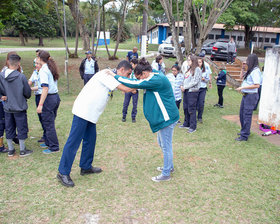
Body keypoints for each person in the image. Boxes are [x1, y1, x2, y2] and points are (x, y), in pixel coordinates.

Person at [57, 61, 135, 187]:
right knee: (73, 142)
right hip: (83, 111)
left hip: (91, 113)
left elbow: (123, 87)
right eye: (128, 73)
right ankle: (63, 172)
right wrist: (140, 85)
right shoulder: (106, 74)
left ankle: (86, 166)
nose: (128, 76)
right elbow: (124, 89)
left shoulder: (112, 76)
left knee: (90, 139)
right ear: (120, 69)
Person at [111, 58, 179, 182]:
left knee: (166, 146)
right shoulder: (153, 76)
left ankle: (166, 173)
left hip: (167, 118)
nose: (139, 80)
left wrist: (115, 76)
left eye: (139, 77)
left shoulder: (155, 79)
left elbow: (134, 84)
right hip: (164, 118)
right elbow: (134, 82)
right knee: (163, 144)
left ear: (144, 73)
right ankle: (169, 167)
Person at [0, 54, 32, 157]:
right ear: (18, 64)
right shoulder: (21, 76)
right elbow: (27, 92)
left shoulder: (1, 75)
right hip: (19, 107)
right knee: (21, 127)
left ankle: (11, 150)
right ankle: (22, 150)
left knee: (9, 127)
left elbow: (2, 91)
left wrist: (4, 96)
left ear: (8, 62)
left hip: (8, 107)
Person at [37, 50, 61, 154]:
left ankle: (54, 147)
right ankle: (48, 142)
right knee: (49, 122)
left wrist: (40, 104)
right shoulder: (50, 67)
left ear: (39, 58)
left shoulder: (43, 70)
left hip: (49, 99)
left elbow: (45, 89)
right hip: (55, 97)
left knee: (48, 123)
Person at [235, 54, 261, 141]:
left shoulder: (256, 71)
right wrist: (242, 68)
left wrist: (243, 88)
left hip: (251, 96)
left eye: (248, 60)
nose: (246, 62)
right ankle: (244, 131)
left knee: (247, 115)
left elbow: (257, 85)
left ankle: (244, 136)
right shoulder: (250, 70)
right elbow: (241, 77)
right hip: (246, 95)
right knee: (242, 114)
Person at [179, 55, 202, 133]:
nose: (187, 61)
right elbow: (185, 78)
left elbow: (195, 81)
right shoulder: (189, 69)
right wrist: (182, 85)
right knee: (185, 107)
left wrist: (185, 86)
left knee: (191, 109)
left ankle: (193, 126)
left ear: (193, 61)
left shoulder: (197, 69)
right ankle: (186, 123)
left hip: (192, 91)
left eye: (189, 60)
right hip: (186, 91)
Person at [28, 57, 45, 143]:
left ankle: (47, 135)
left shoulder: (44, 73)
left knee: (44, 116)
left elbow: (41, 86)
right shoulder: (35, 72)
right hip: (37, 96)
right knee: (40, 117)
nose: (36, 65)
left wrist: (30, 89)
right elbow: (29, 82)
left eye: (37, 63)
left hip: (43, 96)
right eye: (35, 63)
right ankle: (45, 134)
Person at [122, 58, 139, 123]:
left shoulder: (138, 72)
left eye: (132, 64)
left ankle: (133, 117)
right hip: (128, 90)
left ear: (136, 64)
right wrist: (124, 89)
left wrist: (135, 89)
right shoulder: (128, 71)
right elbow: (125, 80)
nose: (130, 65)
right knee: (126, 103)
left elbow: (139, 82)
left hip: (135, 91)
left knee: (134, 104)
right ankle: (124, 116)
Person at [196, 58, 210, 123]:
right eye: (198, 62)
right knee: (194, 103)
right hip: (195, 88)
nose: (199, 63)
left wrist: (204, 79)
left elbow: (207, 80)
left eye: (200, 62)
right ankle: (193, 116)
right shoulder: (194, 70)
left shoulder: (205, 70)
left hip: (202, 88)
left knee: (201, 103)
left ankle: (199, 117)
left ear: (202, 63)